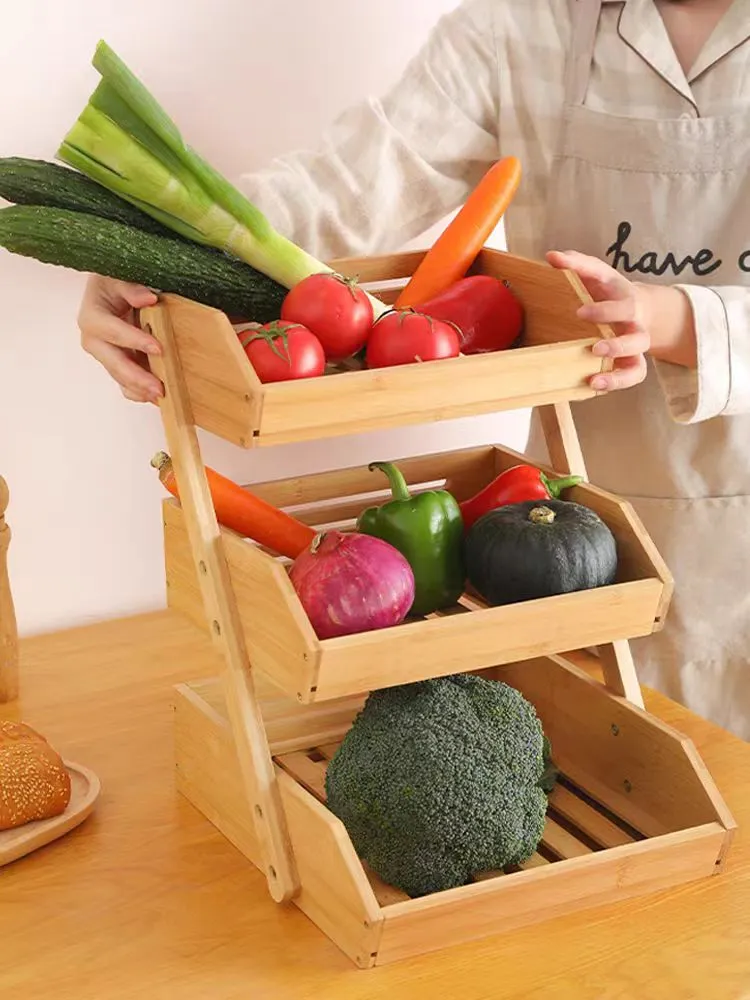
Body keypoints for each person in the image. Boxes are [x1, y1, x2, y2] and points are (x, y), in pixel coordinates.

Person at [77, 0, 750, 739]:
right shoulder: (522, 25)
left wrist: (678, 322)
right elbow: (352, 183)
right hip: (553, 538)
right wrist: (148, 261)